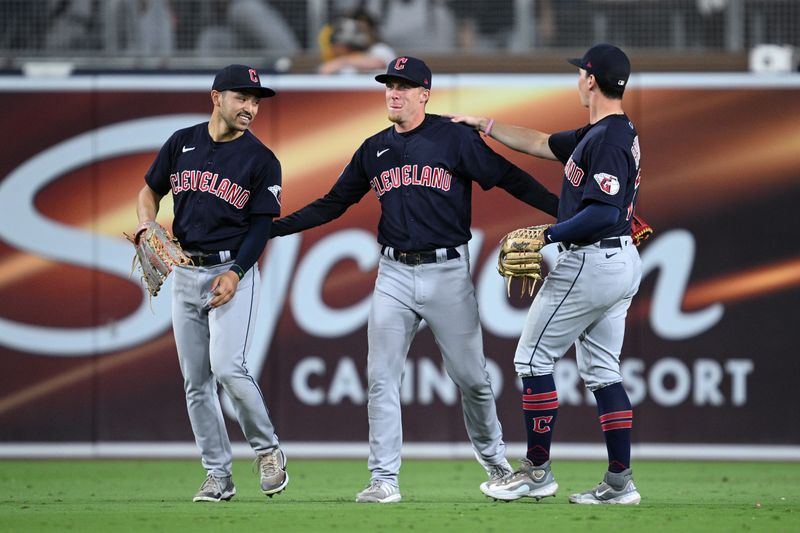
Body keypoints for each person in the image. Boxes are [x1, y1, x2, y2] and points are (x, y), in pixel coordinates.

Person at [270, 56, 559, 503]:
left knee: (473, 380)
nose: (394, 92)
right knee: (381, 378)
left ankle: (497, 464)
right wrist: (272, 227)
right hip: (393, 274)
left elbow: (508, 178)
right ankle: (384, 478)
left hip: (448, 272)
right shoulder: (373, 148)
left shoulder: (454, 138)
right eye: (389, 85)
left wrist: (566, 214)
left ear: (425, 94)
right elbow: (333, 203)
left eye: (404, 86)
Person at [450, 43, 643, 505]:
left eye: (582, 73)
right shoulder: (600, 133)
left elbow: (603, 212)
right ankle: (620, 483)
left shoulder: (611, 140)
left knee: (532, 360)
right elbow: (539, 142)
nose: (578, 78)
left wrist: (548, 234)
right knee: (602, 372)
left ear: (592, 80)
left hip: (593, 258)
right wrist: (487, 126)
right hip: (617, 261)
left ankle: (536, 472)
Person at [133, 64, 288, 503]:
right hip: (184, 270)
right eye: (242, 97)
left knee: (227, 367)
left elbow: (261, 227)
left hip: (231, 268)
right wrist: (147, 225)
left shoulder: (262, 160)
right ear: (216, 97)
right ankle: (218, 475)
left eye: (256, 100)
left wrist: (236, 272)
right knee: (196, 380)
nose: (251, 108)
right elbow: (149, 190)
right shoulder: (182, 143)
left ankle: (267, 449)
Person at [317, 10, 396, 75]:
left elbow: (378, 63)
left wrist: (342, 61)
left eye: (362, 29)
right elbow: (325, 70)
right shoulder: (349, 59)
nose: (361, 34)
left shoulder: (381, 49)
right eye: (357, 30)